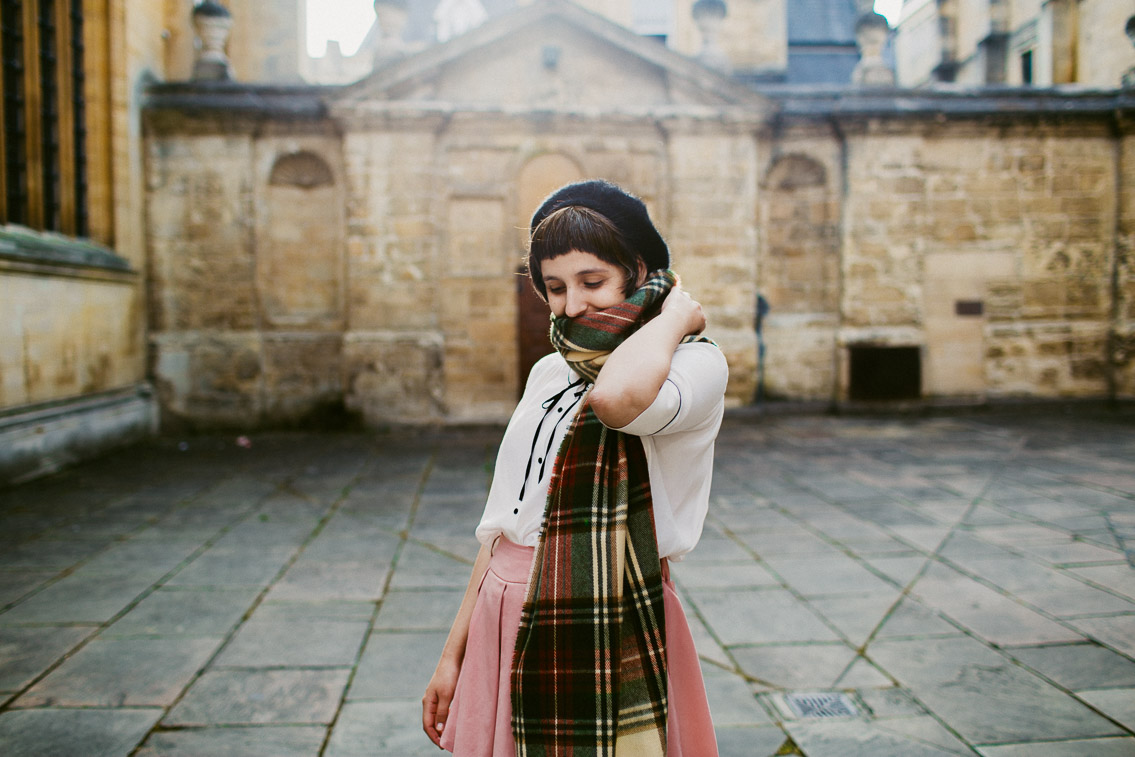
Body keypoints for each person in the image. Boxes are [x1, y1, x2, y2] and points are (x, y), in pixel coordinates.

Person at [422, 179, 727, 756]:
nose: (573, 305)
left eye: (594, 282)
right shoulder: (548, 373)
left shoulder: (694, 364)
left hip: (611, 613)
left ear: (638, 273)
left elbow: (615, 401)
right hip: (502, 608)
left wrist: (671, 319)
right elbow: (502, 524)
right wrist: (452, 655)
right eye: (555, 288)